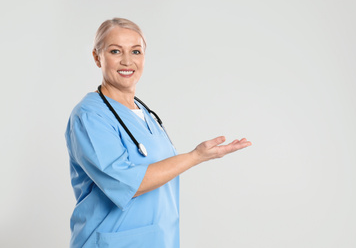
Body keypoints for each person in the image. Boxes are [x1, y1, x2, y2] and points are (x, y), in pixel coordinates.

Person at [65, 17, 251, 248]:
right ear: (97, 57)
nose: (127, 61)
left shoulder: (144, 112)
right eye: (115, 51)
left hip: (158, 240)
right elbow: (127, 184)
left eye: (136, 52)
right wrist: (196, 156)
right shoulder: (90, 116)